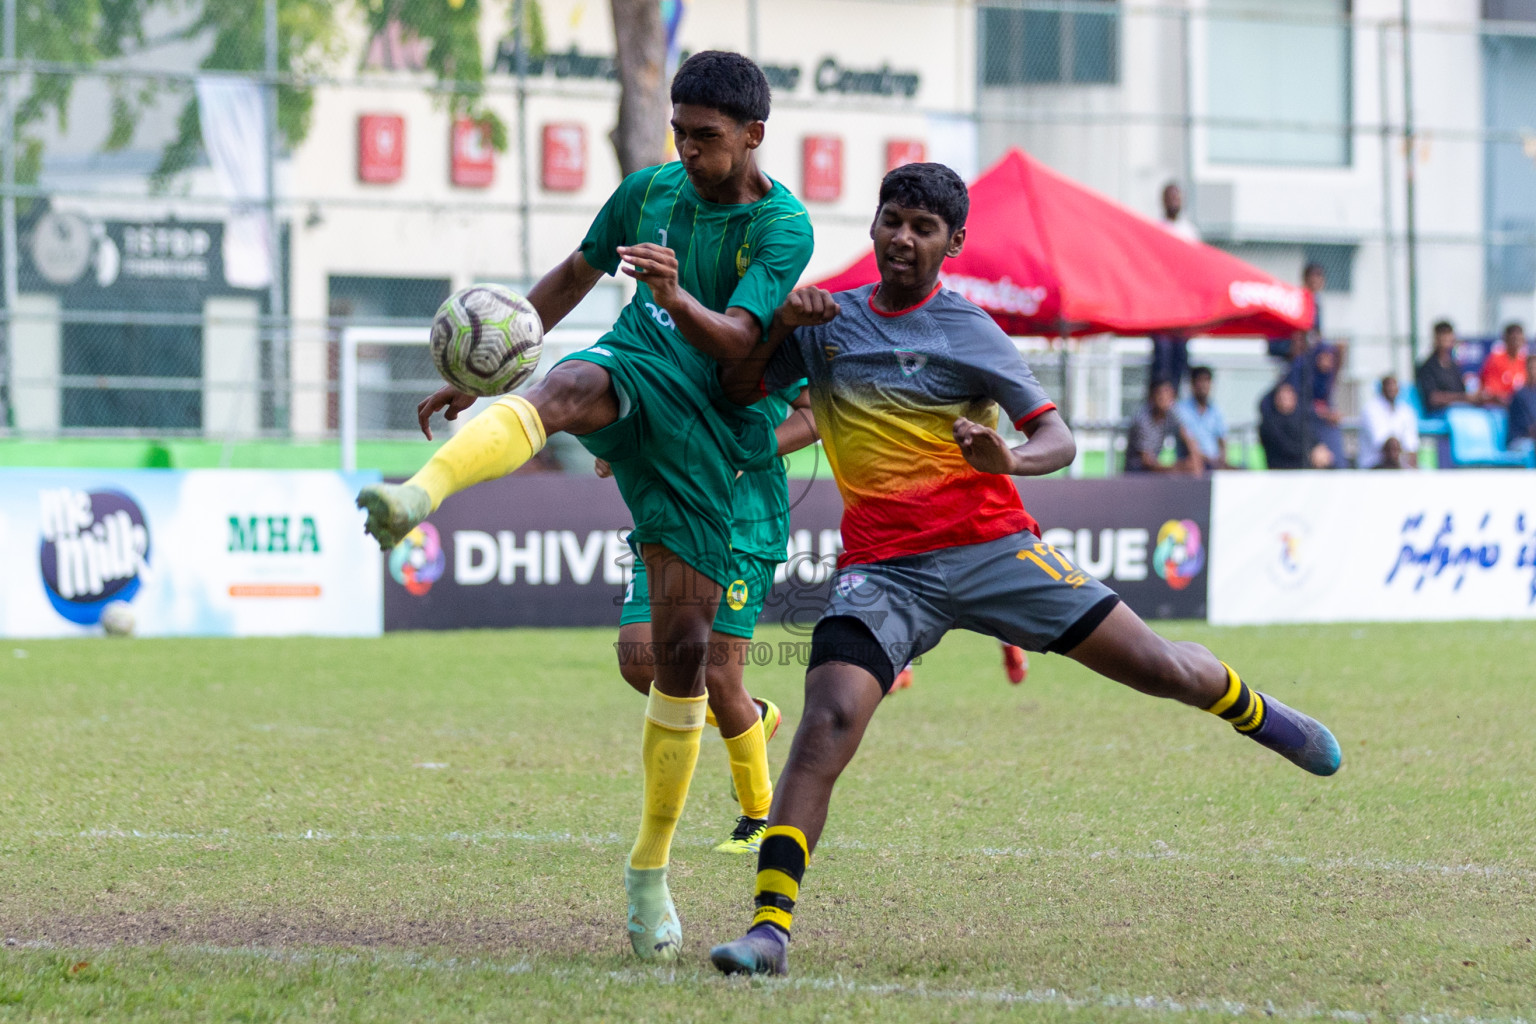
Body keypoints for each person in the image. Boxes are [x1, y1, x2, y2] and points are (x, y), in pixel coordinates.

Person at [698, 163, 1340, 978]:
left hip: (994, 549)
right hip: (884, 571)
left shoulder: (972, 333)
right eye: (892, 219)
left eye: (923, 227)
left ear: (953, 243)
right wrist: (777, 329)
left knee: (1158, 667)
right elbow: (740, 387)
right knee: (827, 720)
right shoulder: (828, 321)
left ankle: (1265, 717)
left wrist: (1013, 455)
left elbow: (1059, 437)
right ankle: (768, 931)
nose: (902, 237)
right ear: (873, 226)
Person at [354, 51, 815, 961]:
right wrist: (486, 369)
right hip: (636, 366)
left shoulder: (781, 226)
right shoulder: (648, 191)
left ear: (754, 135)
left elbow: (737, 348)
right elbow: (572, 274)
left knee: (675, 657)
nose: (685, 151)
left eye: (706, 138)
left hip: (716, 434)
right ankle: (417, 496)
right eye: (678, 132)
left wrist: (676, 291)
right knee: (566, 386)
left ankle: (650, 870)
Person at [600, 385, 816, 855]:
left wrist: (749, 451)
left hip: (743, 527)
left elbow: (814, 414)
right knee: (639, 661)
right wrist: (616, 443)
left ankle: (761, 818)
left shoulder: (762, 328)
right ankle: (753, 718)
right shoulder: (659, 333)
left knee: (717, 673)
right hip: (667, 518)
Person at [1124, 378, 1205, 474]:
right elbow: (1146, 461)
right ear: (1151, 397)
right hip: (1137, 472)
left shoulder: (1171, 413)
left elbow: (1187, 437)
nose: (1165, 398)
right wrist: (1177, 468)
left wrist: (1195, 462)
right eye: (1160, 394)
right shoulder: (1142, 420)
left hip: (1156, 470)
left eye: (1169, 394)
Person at [1259, 381, 1333, 470]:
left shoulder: (1300, 419)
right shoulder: (1270, 423)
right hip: (1283, 466)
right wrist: (1310, 453)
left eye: (1289, 396)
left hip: (1304, 463)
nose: (1286, 400)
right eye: (1283, 397)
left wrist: (1318, 449)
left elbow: (1312, 438)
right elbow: (1285, 447)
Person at [1416, 321, 1477, 415]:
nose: (1446, 340)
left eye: (1448, 336)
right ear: (1436, 338)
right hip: (1440, 413)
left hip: (1460, 410)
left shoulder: (1453, 366)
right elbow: (1433, 398)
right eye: (1443, 336)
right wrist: (1462, 398)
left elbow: (1462, 392)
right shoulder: (1427, 367)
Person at [1268, 262, 1325, 362]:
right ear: (1306, 279)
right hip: (1287, 343)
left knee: (1334, 349)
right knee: (1299, 341)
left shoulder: (1316, 303)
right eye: (1314, 276)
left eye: (1320, 276)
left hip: (1306, 344)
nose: (1317, 280)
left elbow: (1317, 332)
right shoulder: (1296, 299)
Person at [1359, 375, 1419, 469]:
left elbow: (1411, 444)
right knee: (1392, 449)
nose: (1391, 389)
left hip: (1400, 466)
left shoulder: (1405, 410)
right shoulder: (1370, 409)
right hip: (1374, 464)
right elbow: (1383, 443)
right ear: (1382, 389)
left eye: (1394, 386)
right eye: (1389, 386)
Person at [1176, 366, 1230, 469]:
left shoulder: (1216, 411)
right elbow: (1187, 441)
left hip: (1214, 463)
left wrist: (1223, 460)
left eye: (1207, 381)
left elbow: (1222, 439)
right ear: (1192, 384)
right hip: (1193, 462)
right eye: (1200, 381)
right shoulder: (1181, 409)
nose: (1203, 385)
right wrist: (1204, 458)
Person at [1479, 322, 1527, 406]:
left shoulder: (1524, 361)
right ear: (1506, 339)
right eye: (1513, 339)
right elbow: (1491, 391)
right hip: (1498, 407)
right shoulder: (1495, 360)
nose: (1516, 343)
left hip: (1519, 407)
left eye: (1519, 339)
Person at [1508, 353, 1536, 456]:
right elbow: (1530, 429)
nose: (1534, 371)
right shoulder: (1521, 395)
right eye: (1532, 367)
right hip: (1520, 440)